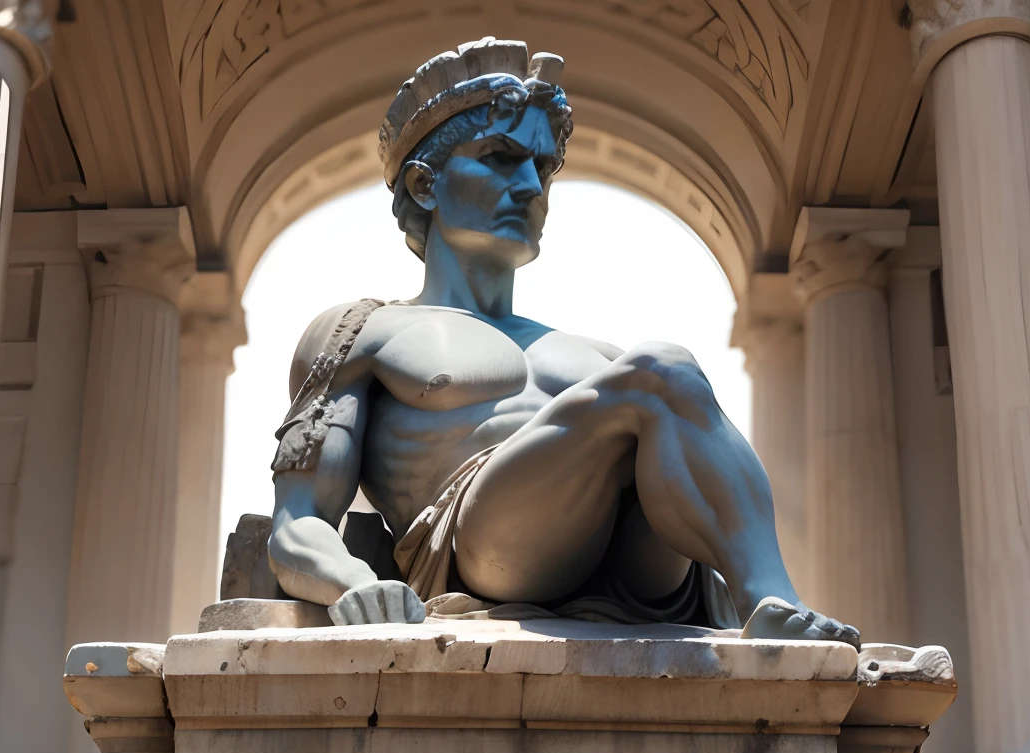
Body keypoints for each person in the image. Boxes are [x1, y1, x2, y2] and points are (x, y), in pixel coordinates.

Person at [266, 37, 857, 646]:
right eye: (499, 157)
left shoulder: (599, 357)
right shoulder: (361, 331)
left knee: (669, 375)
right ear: (424, 185)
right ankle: (771, 603)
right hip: (481, 547)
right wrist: (351, 583)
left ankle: (772, 603)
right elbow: (297, 521)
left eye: (543, 168)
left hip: (635, 565)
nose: (530, 187)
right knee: (660, 369)